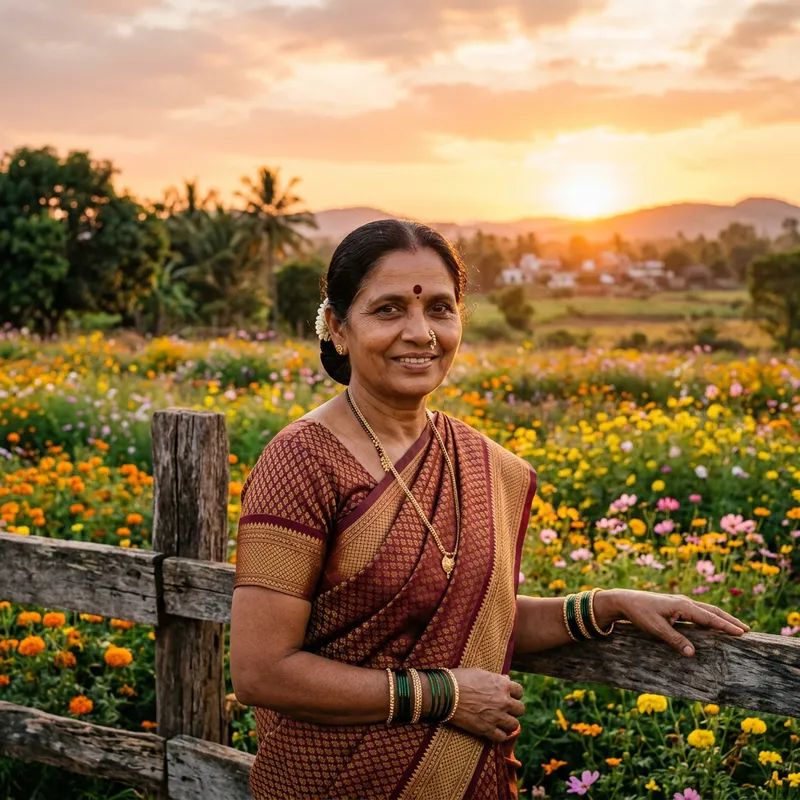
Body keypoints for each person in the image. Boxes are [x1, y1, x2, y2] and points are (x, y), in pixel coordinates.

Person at [229, 219, 749, 800]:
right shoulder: (302, 460)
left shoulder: (478, 461)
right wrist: (444, 695)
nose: (420, 332)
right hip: (328, 783)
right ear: (338, 327)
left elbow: (482, 621)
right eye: (388, 310)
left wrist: (606, 605)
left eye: (441, 310)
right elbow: (260, 670)